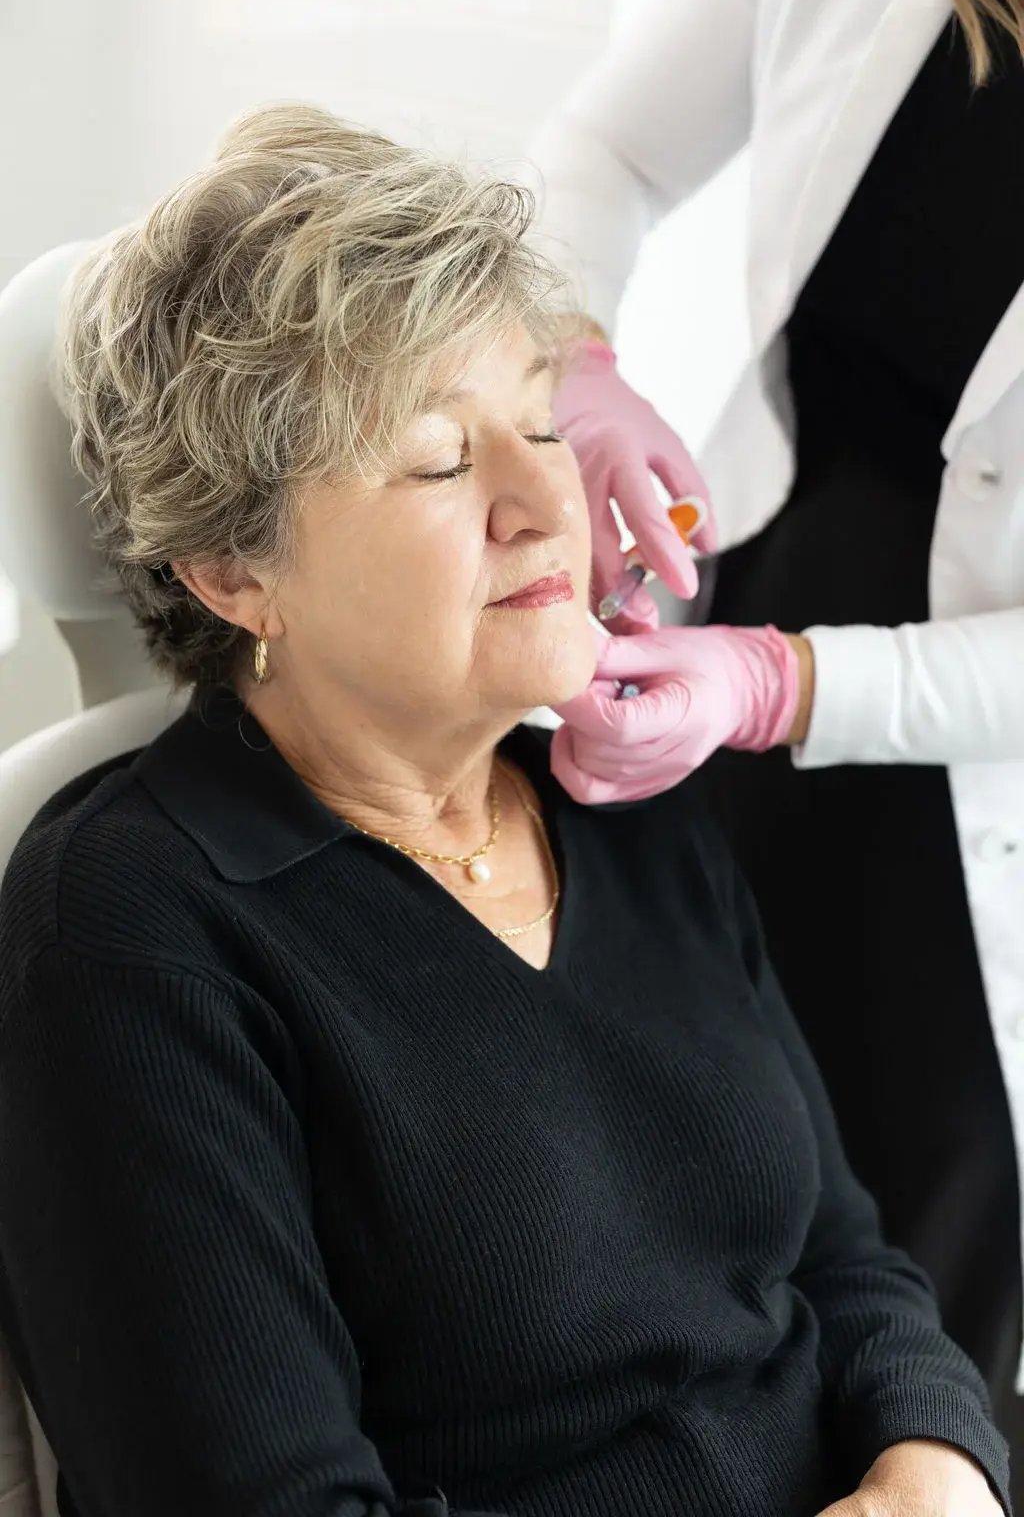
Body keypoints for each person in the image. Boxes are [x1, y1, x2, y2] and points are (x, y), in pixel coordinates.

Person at [0, 102, 1012, 1517]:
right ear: (233, 569)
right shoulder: (133, 929)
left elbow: (847, 1264)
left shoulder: (626, 814)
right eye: (436, 456)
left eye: (542, 420)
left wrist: (937, 1462)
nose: (549, 496)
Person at [530, 0, 1024, 1496]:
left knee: (913, 1318)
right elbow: (609, 149)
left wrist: (775, 687)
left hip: (951, 754)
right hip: (756, 588)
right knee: (685, 1199)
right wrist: (578, 360)